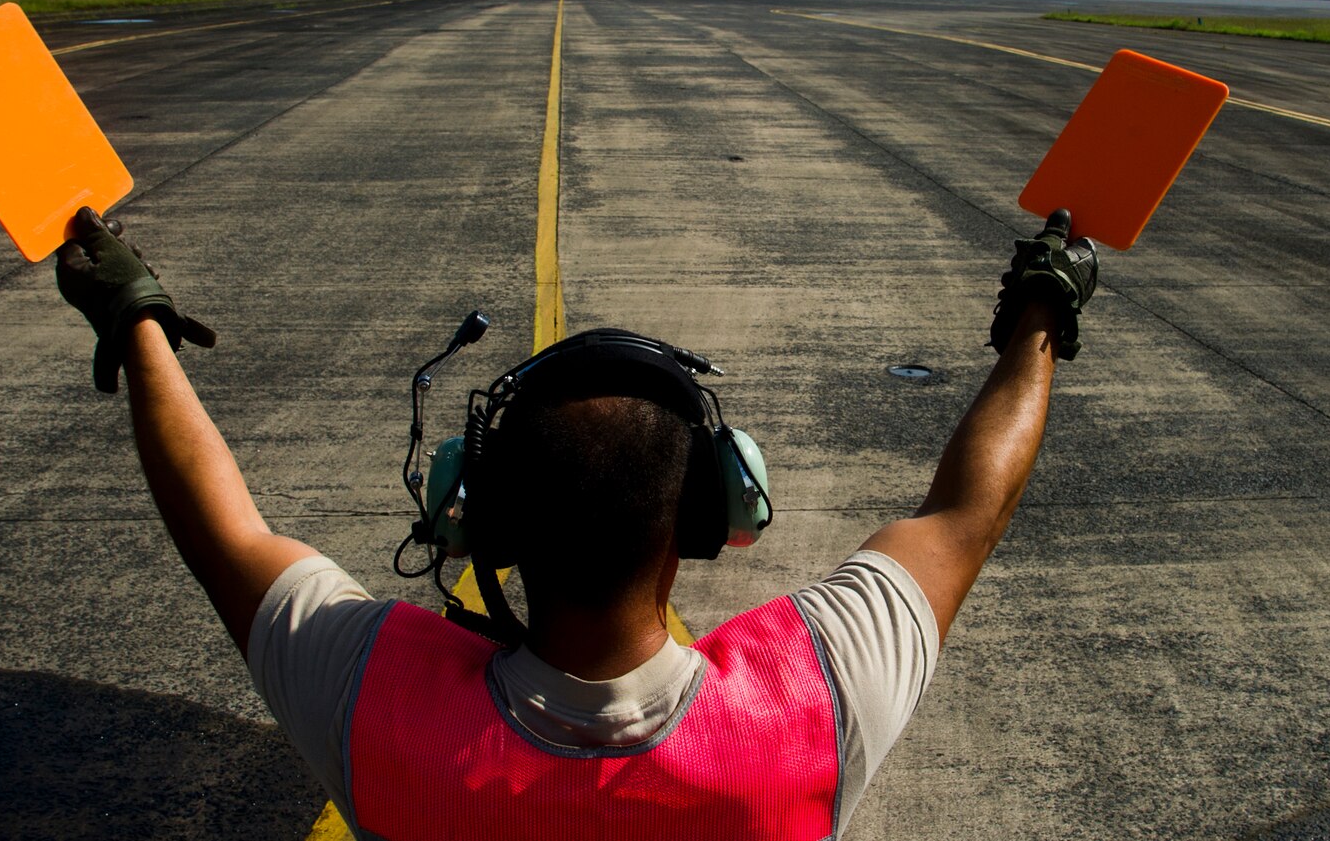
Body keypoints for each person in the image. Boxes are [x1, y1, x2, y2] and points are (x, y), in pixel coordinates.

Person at [56, 207, 1098, 838]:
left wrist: (136, 317)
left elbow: (222, 531)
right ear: (702, 513)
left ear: (483, 520)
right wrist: (1039, 314)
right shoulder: (813, 692)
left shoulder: (376, 698)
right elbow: (964, 510)